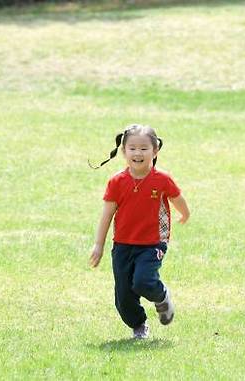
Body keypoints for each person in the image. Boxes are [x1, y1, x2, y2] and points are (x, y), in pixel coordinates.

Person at [89, 124, 191, 339]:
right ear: (124, 151)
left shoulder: (162, 179)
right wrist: (98, 245)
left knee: (143, 281)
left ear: (155, 151)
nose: (138, 153)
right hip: (123, 245)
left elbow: (176, 198)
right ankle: (138, 325)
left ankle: (161, 297)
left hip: (153, 243)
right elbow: (106, 215)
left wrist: (185, 213)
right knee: (123, 296)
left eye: (144, 148)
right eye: (132, 148)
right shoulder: (117, 181)